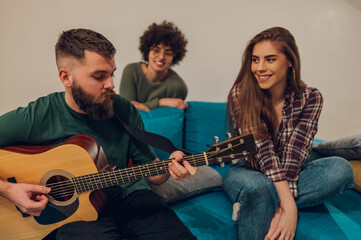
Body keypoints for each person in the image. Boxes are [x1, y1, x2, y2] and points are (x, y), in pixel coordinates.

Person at [0, 28, 197, 240]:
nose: (111, 84)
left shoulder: (122, 108)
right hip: (78, 216)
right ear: (66, 77)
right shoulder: (37, 116)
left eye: (111, 74)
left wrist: (171, 166)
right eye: (98, 76)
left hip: (130, 196)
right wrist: (8, 189)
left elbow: (155, 176)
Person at [224, 27, 354, 240]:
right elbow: (262, 150)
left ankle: (256, 205)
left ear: (290, 61)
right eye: (255, 60)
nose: (260, 67)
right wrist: (289, 208)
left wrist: (284, 205)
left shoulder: (310, 97)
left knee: (340, 170)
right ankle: (258, 199)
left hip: (289, 169)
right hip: (247, 169)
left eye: (270, 59)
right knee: (259, 187)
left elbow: (294, 154)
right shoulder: (242, 92)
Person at [119, 21, 188, 111]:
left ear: (174, 57)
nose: (161, 57)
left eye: (168, 53)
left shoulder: (178, 87)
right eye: (156, 50)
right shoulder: (131, 71)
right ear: (147, 52)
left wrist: (145, 107)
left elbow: (169, 118)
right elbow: (127, 111)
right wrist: (160, 102)